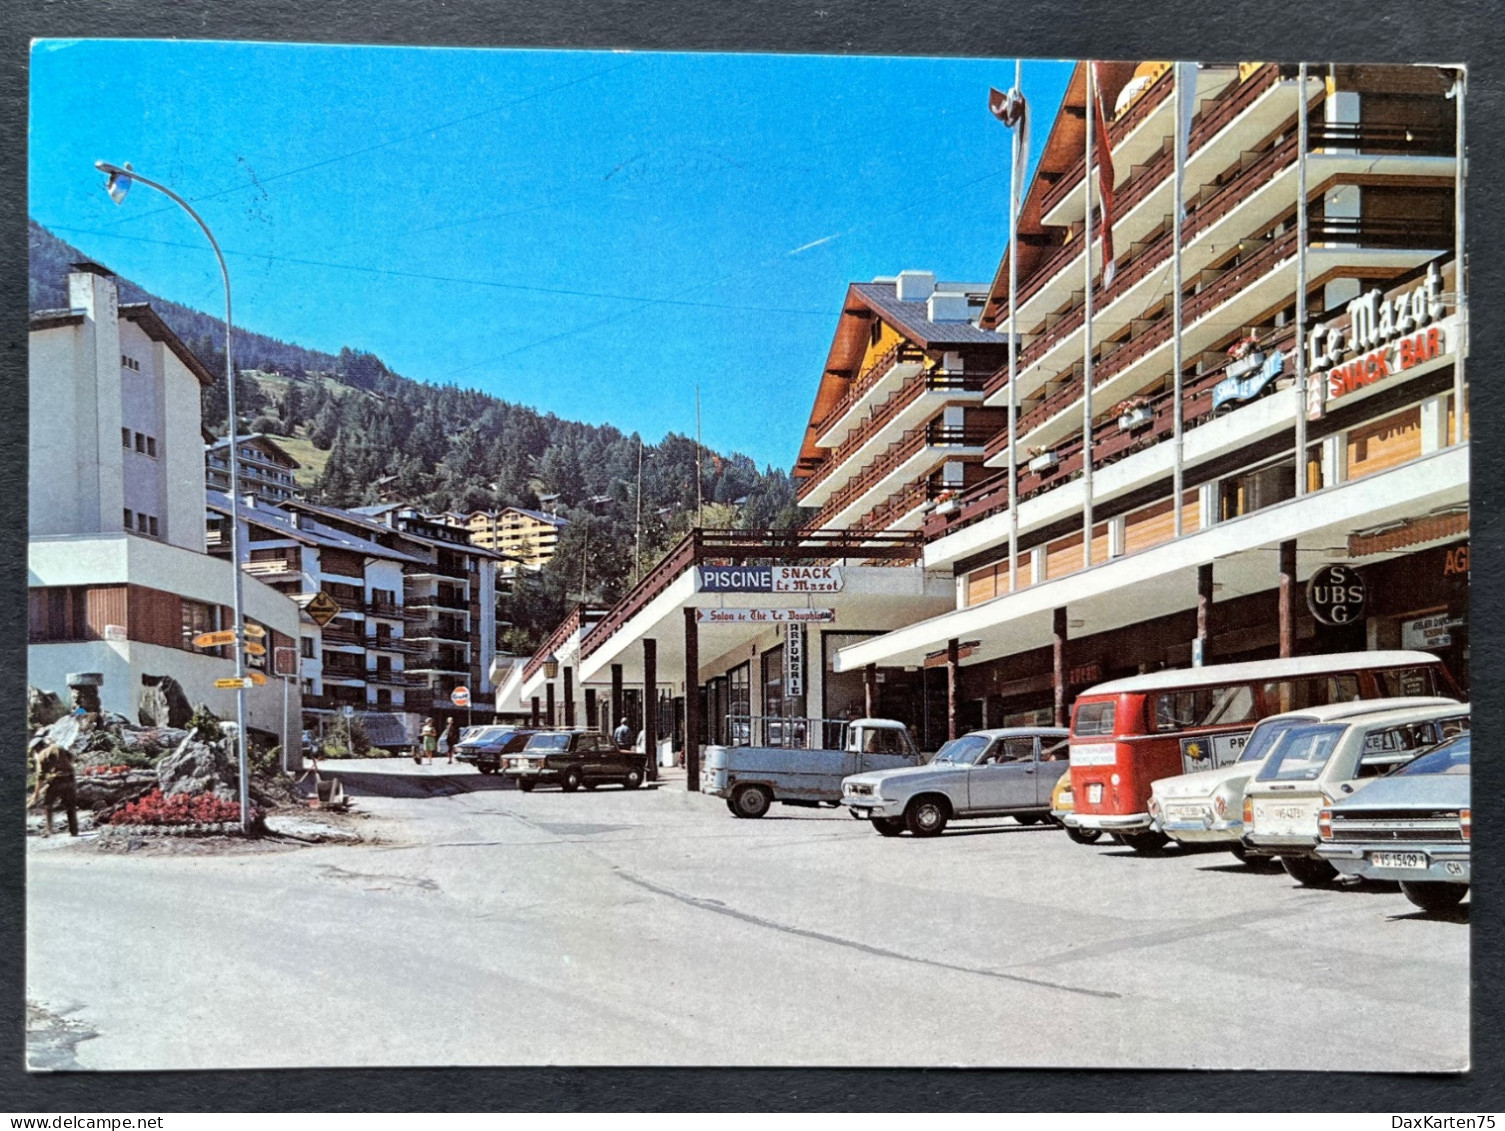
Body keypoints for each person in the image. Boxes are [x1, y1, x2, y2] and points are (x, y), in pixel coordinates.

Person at [30, 743, 78, 837]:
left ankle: (49, 830)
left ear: (37, 748)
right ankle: (74, 830)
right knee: (70, 806)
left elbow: (41, 777)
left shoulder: (42, 755)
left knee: (48, 804)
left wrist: (36, 794)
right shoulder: (58, 747)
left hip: (57, 780)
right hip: (70, 778)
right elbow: (72, 757)